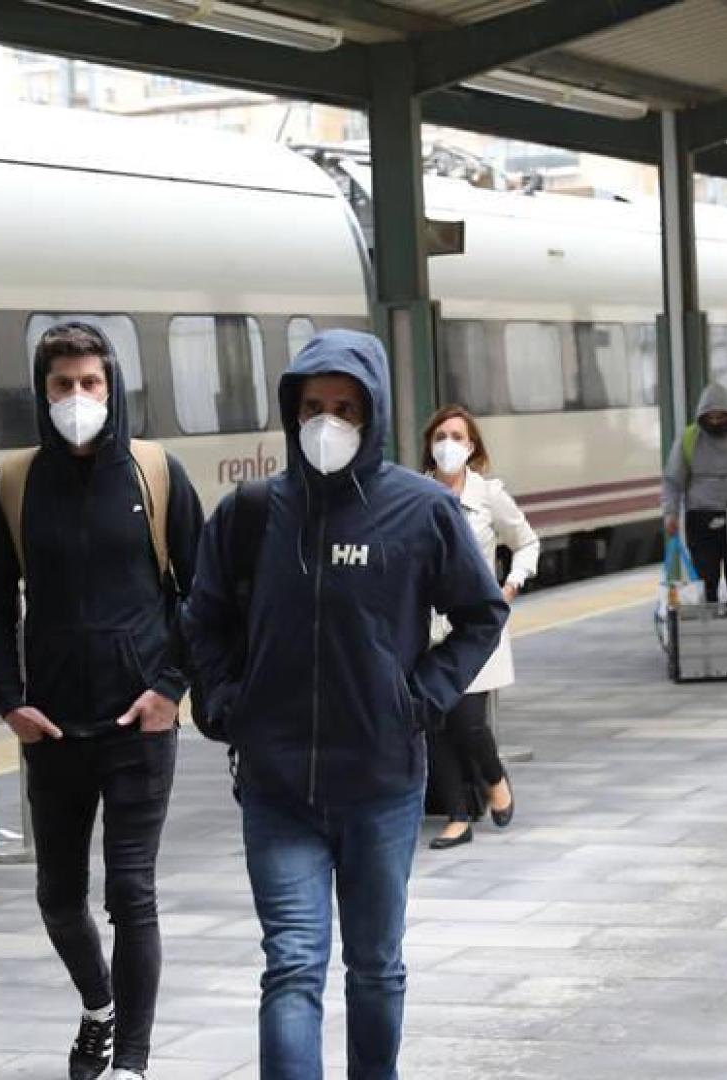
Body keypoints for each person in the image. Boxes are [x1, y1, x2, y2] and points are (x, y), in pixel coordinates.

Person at [181, 330, 507, 1080]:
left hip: (382, 784)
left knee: (374, 966)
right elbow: (201, 618)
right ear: (292, 413)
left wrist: (419, 697)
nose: (327, 422)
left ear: (374, 415)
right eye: (314, 407)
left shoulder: (421, 512)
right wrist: (227, 704)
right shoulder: (253, 513)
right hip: (277, 787)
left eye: (346, 408)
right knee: (292, 965)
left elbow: (481, 613)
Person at [0, 322, 204, 1080]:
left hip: (139, 723)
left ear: (113, 387)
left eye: (90, 384)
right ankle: (99, 1009)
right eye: (62, 385)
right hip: (53, 731)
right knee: (58, 897)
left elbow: (204, 596)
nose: (77, 398)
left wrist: (171, 688)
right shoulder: (13, 484)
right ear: (42, 394)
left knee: (131, 891)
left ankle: (130, 1063)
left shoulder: (155, 474)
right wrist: (9, 700)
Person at [420, 405, 539, 850]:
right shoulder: (416, 494)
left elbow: (526, 541)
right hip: (427, 627)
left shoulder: (489, 495)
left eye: (457, 436)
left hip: (475, 627)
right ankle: (457, 815)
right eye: (440, 436)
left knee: (468, 720)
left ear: (472, 448)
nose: (447, 444)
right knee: (434, 720)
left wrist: (511, 584)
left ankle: (494, 778)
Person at [661, 383, 727, 641]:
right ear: (701, 417)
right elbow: (673, 480)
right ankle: (710, 632)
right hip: (702, 516)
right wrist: (670, 513)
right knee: (705, 577)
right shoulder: (689, 439)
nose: (716, 423)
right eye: (711, 418)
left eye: (721, 417)